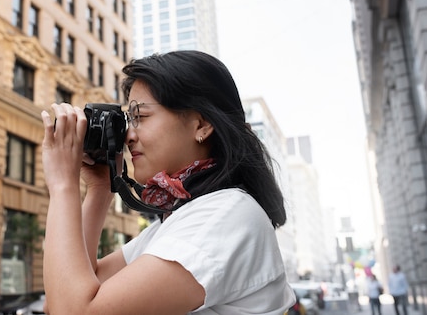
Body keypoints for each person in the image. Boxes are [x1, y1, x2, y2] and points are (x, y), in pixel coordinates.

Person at [40, 50, 295, 314]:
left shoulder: (225, 215)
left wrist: (63, 185)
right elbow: (60, 297)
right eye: (129, 118)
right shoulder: (179, 223)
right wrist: (101, 190)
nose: (128, 135)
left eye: (141, 116)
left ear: (201, 125)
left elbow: (73, 310)